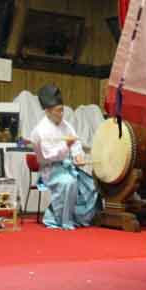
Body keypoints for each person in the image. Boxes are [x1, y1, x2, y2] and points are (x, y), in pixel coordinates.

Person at [30, 84, 98, 230]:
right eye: (58, 111)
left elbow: (75, 142)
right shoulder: (40, 130)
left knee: (91, 185)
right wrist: (65, 146)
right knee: (68, 183)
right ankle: (57, 219)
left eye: (62, 110)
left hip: (67, 166)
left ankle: (78, 218)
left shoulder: (66, 125)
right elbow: (49, 155)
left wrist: (78, 155)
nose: (61, 114)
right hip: (50, 169)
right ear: (48, 111)